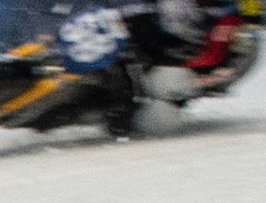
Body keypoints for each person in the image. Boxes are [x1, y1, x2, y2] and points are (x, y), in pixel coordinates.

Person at [56, 0, 261, 132]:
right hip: (126, 44)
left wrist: (192, 79)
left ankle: (97, 111)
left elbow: (217, 61)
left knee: (157, 107)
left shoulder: (232, 22)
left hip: (166, 73)